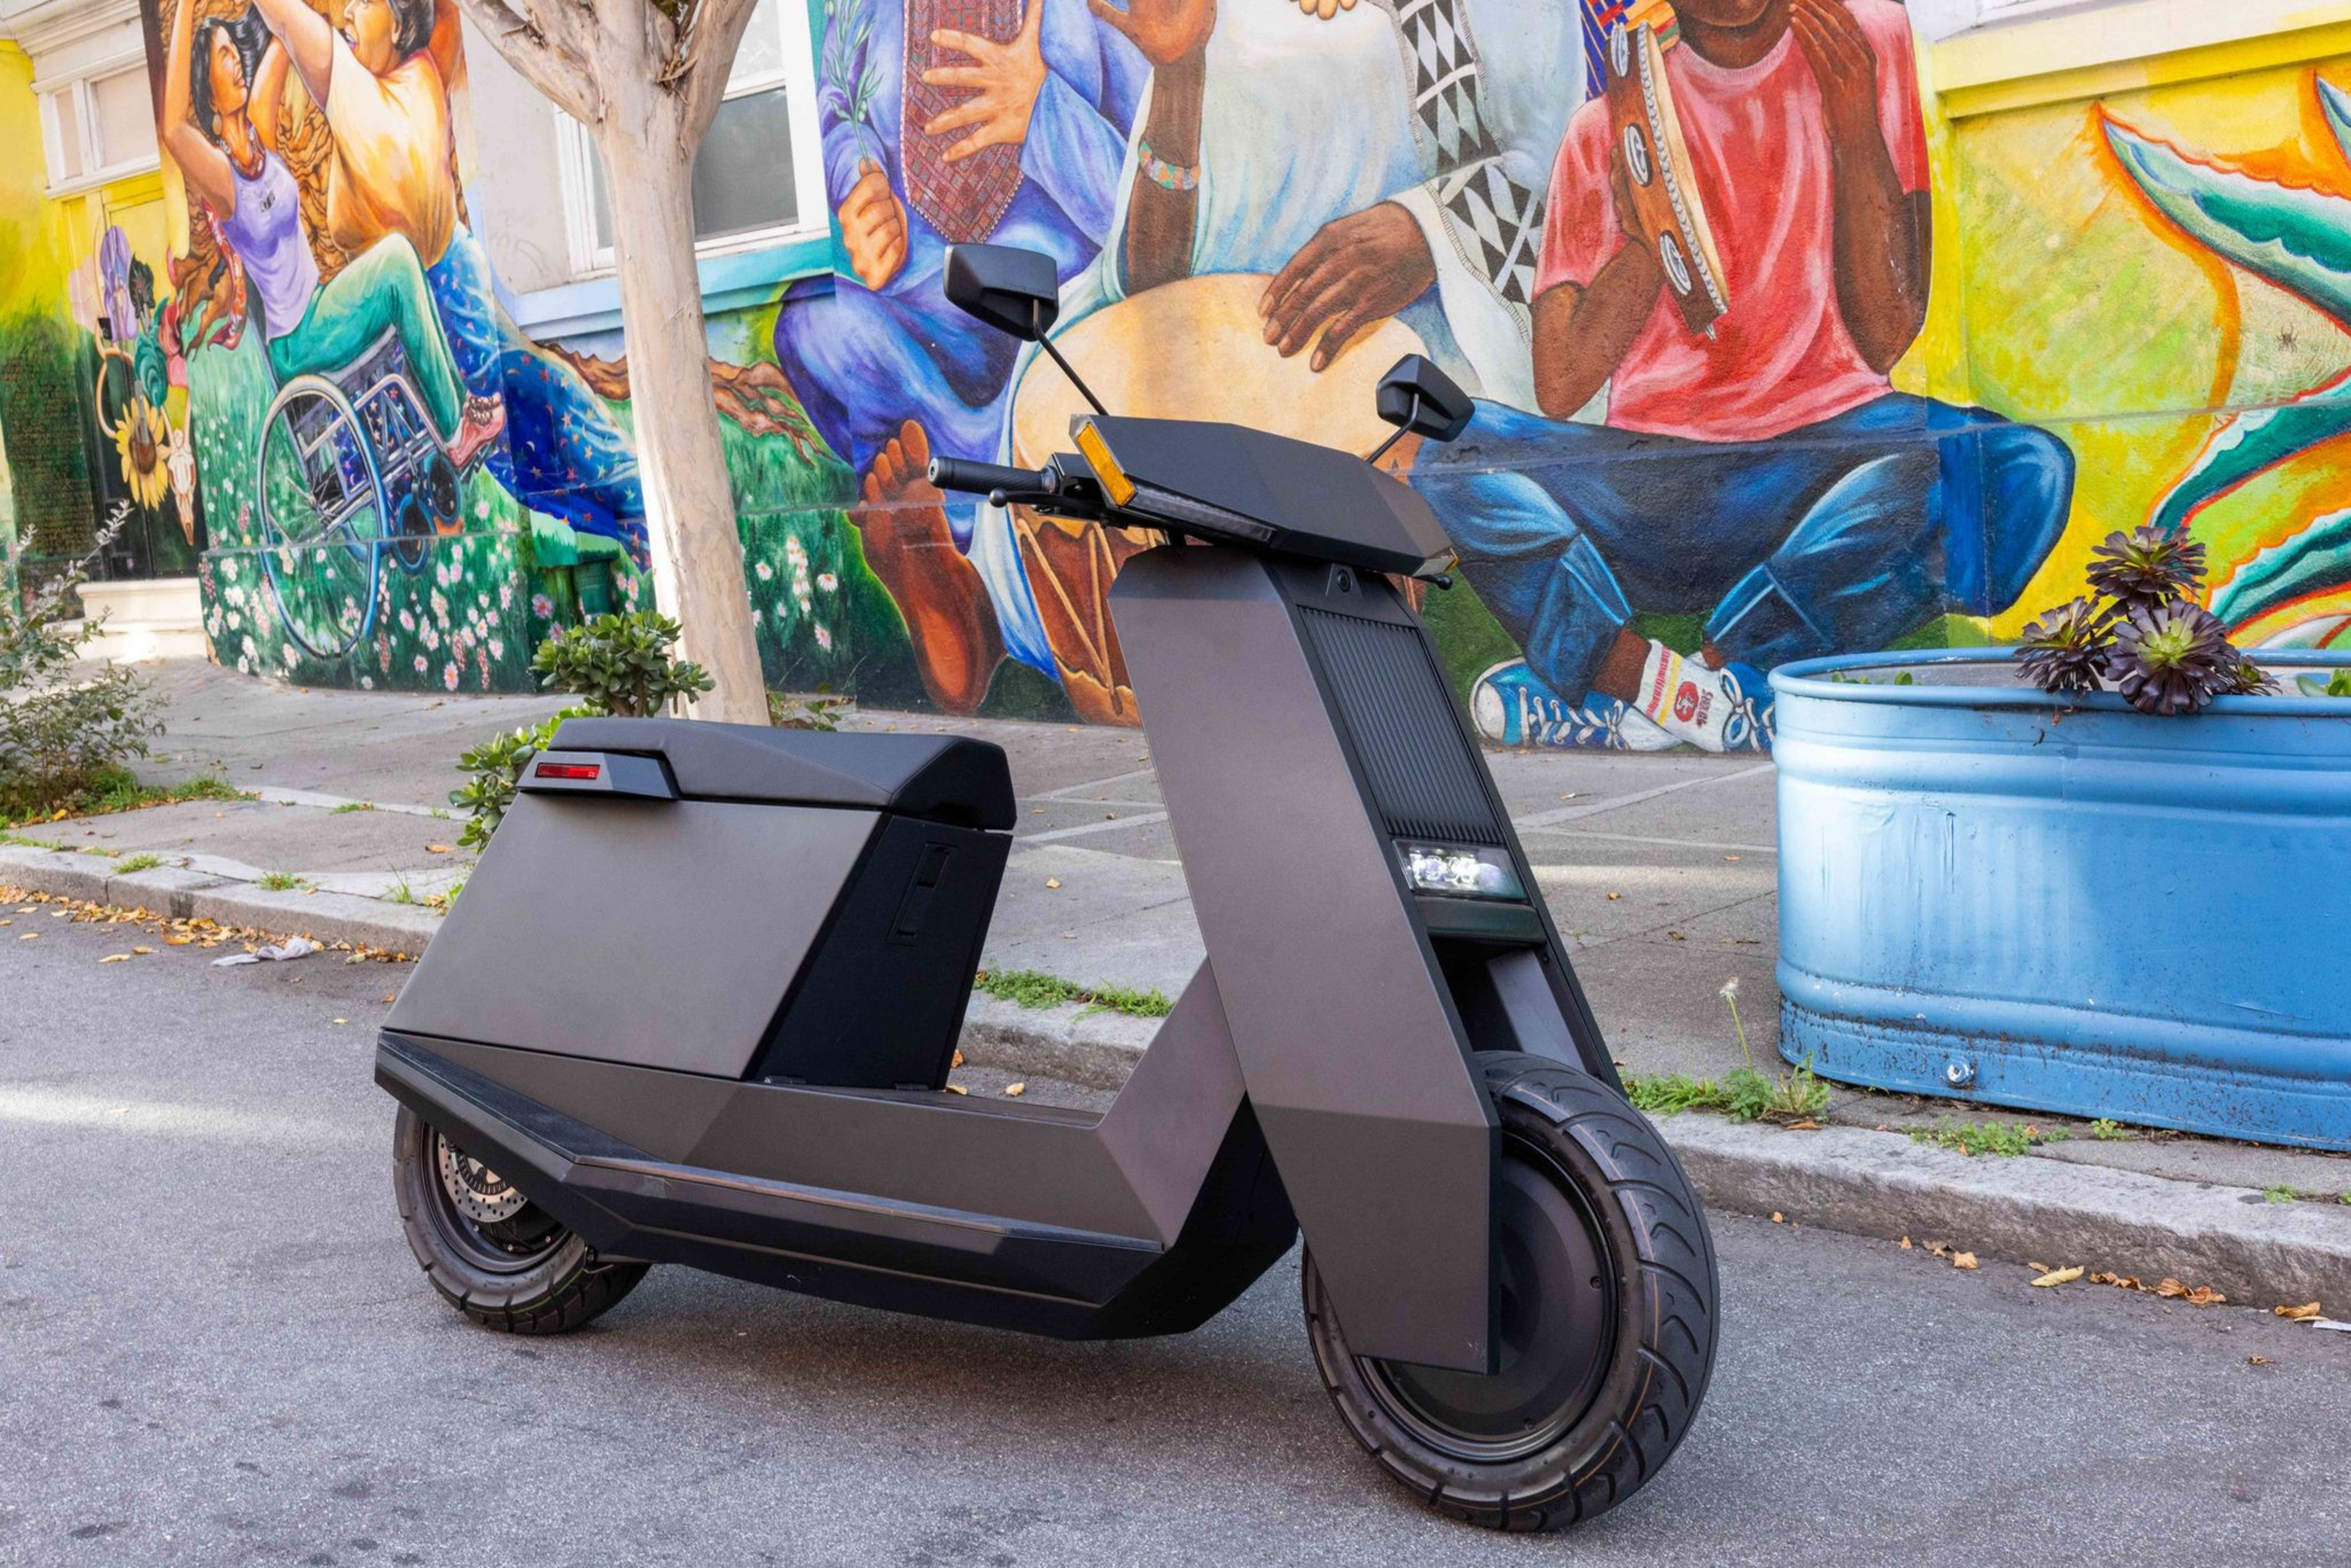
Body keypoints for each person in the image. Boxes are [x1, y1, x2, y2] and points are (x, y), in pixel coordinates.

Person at [1413, 0, 2074, 751]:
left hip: (1830, 462)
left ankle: (1694, 684)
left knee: (2021, 468)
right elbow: (1561, 381)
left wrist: (1854, 125)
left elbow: (1888, 334)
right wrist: (1643, 236)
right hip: (1655, 481)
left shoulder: (1865, 43)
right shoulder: (1606, 126)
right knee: (1452, 451)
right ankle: (1645, 682)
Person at [773, 0, 1145, 710]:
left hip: (1062, 302)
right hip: (927, 306)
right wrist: (859, 182)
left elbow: (1153, 206)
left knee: (1060, 399)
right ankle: (944, 544)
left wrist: (1043, 113)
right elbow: (838, 105)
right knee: (811, 327)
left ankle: (966, 577)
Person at [248, 0, 650, 564]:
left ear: (399, 19)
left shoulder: (368, 89)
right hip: (432, 293)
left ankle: (637, 511)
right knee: (539, 418)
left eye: (364, 4)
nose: (346, 16)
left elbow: (290, 19)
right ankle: (637, 516)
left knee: (536, 422)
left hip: (444, 291)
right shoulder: (409, 81)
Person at [160, 0, 504, 472]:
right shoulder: (221, 180)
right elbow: (173, 128)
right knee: (398, 262)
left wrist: (333, 31)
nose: (236, 60)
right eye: (223, 56)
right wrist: (182, 9)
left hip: (321, 308)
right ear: (208, 92)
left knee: (400, 256)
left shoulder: (260, 133)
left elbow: (288, 33)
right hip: (297, 338)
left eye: (234, 51)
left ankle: (458, 410)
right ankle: (454, 430)